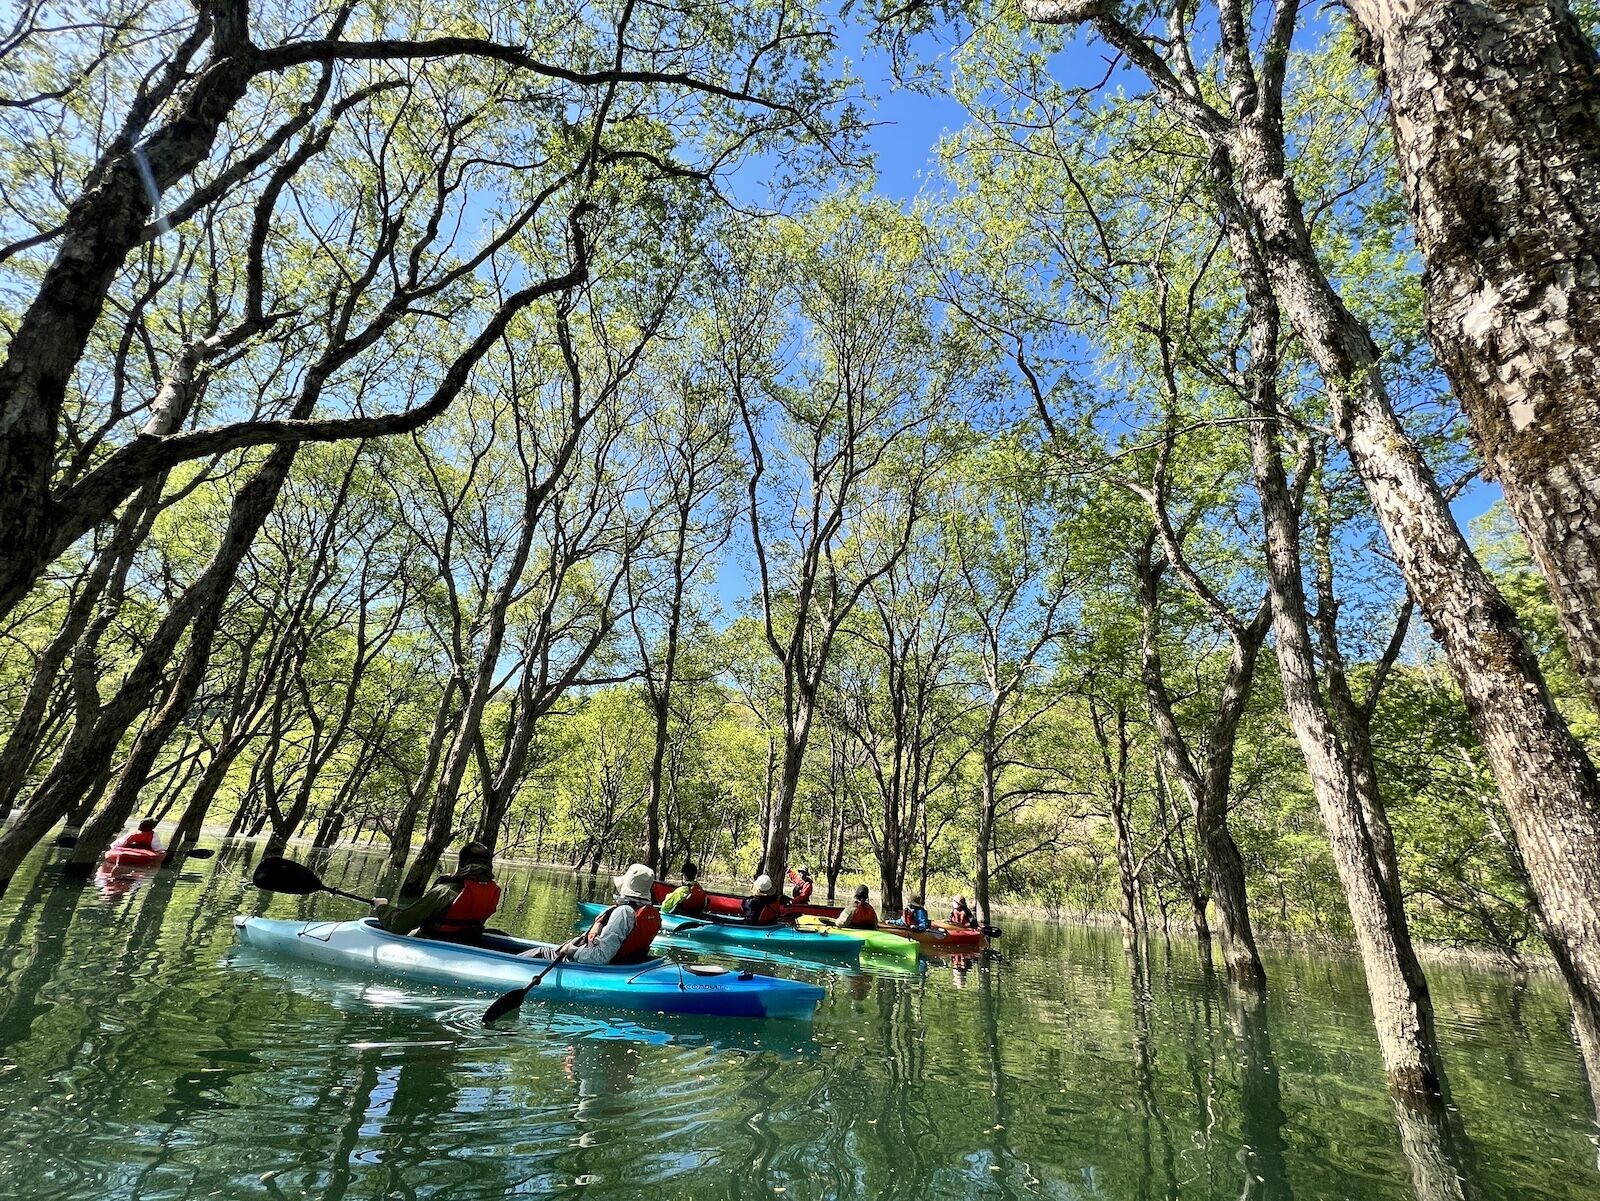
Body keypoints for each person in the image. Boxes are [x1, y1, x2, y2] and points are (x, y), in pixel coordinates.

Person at [525, 863, 661, 965]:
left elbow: (600, 957)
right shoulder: (642, 911)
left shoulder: (624, 913)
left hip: (587, 964)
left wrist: (572, 951)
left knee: (541, 952)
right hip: (622, 964)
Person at [372, 841, 501, 943]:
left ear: (461, 865)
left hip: (437, 943)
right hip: (468, 942)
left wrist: (382, 906)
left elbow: (398, 925)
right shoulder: (492, 891)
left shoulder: (444, 892)